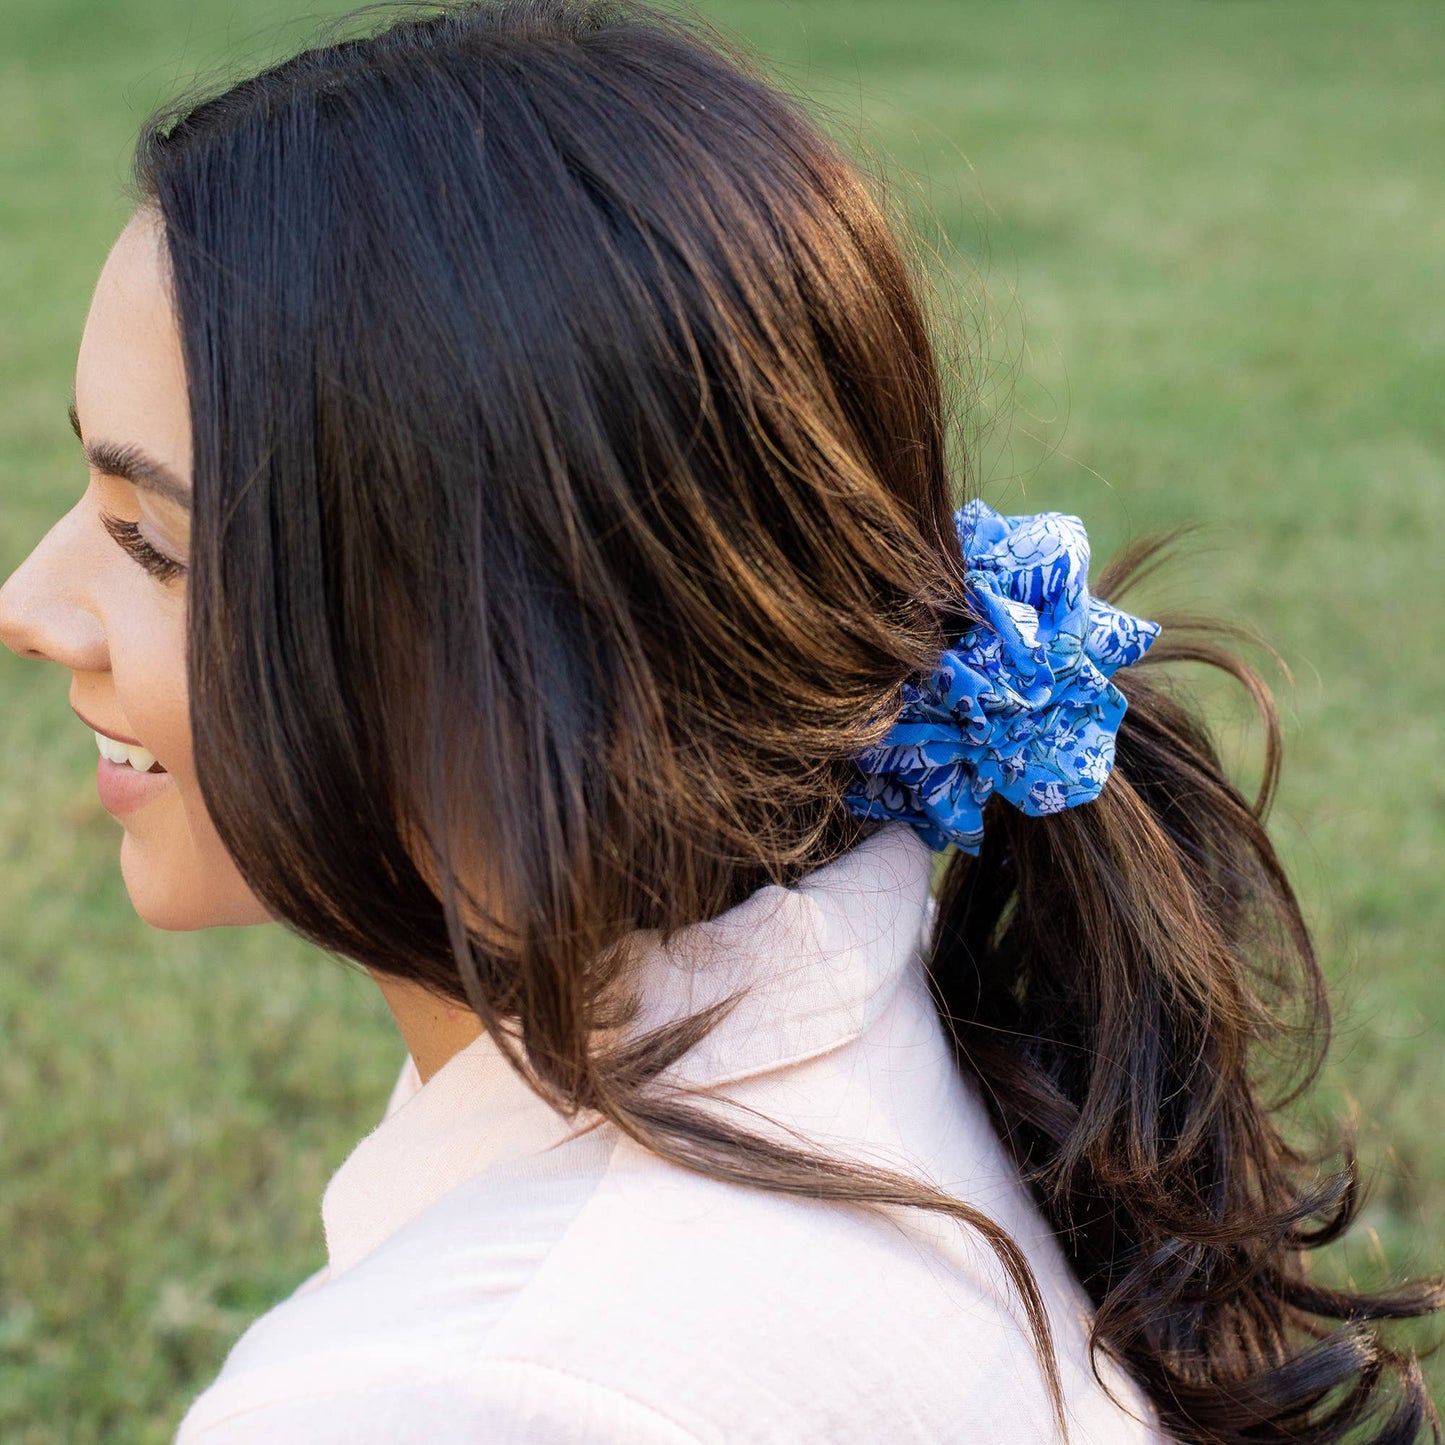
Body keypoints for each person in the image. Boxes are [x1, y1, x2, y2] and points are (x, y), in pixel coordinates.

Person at [0, 2, 1437, 1440]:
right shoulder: (889, 1015)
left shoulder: (455, 1392)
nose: (28, 601)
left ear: (548, 659)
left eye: (154, 541)